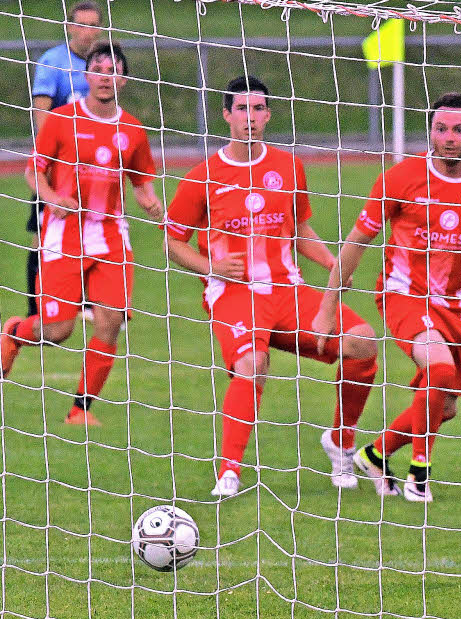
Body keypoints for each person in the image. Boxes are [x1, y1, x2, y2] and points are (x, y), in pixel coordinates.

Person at [314, 92, 461, 503]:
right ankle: (420, 473)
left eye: (458, 130)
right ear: (430, 131)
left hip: (456, 304)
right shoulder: (401, 178)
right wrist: (327, 307)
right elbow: (357, 241)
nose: (449, 138)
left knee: (446, 406)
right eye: (441, 129)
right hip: (403, 295)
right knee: (437, 367)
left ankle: (376, 452)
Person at [163, 76, 379, 498]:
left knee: (363, 342)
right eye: (242, 109)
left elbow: (298, 228)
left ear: (268, 114)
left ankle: (341, 442)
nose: (251, 118)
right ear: (226, 115)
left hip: (287, 290)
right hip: (234, 294)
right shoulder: (203, 176)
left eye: (258, 109)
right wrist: (213, 267)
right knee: (253, 363)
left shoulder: (287, 166)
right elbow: (171, 242)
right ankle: (229, 471)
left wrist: (332, 263)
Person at [1, 42, 162, 427]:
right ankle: (12, 333)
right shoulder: (60, 119)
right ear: (86, 76)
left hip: (110, 236)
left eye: (113, 70)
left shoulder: (133, 129)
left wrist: (152, 204)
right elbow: (32, 172)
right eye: (98, 68)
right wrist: (53, 198)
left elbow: (141, 183)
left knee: (110, 321)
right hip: (63, 235)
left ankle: (79, 411)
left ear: (122, 79)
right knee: (57, 330)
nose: (105, 76)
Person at [25, 1, 104, 318]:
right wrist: (54, 157)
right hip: (57, 167)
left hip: (93, 170)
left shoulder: (103, 65)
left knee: (93, 231)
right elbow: (41, 113)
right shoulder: (53, 62)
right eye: (81, 25)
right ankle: (35, 309)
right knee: (41, 235)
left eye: (93, 25)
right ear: (70, 27)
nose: (88, 32)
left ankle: (85, 301)